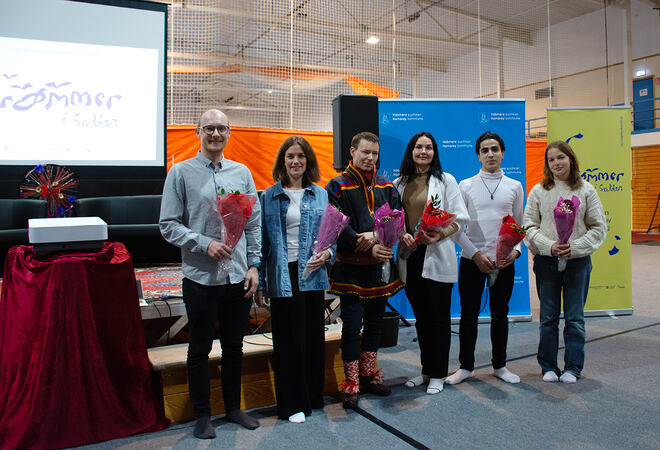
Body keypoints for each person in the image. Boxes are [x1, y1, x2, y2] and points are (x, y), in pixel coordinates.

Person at [159, 109, 262, 438]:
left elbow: (254, 223)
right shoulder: (180, 173)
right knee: (199, 348)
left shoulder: (243, 172)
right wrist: (204, 244)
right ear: (197, 131)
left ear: (229, 133)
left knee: (234, 347)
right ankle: (203, 414)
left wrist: (254, 265)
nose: (215, 133)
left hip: (237, 277)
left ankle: (233, 408)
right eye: (209, 128)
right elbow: (168, 225)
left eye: (221, 128)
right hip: (201, 277)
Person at [255, 136, 332, 424]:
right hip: (281, 275)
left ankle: (312, 397)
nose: (296, 161)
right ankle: (290, 404)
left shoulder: (320, 194)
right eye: (290, 156)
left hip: (312, 274)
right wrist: (261, 282)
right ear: (282, 161)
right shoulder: (269, 196)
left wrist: (328, 253)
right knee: (288, 342)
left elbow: (331, 236)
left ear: (308, 161)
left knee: (313, 339)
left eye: (301, 156)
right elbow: (262, 241)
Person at [325, 131, 404, 409]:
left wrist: (381, 237)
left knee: (374, 323)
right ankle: (351, 382)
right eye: (365, 152)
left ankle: (369, 375)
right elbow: (336, 226)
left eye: (375, 153)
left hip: (380, 267)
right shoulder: (336, 185)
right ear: (352, 152)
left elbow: (396, 217)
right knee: (351, 327)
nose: (370, 158)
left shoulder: (387, 186)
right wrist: (366, 242)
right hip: (351, 268)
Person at [523, 140, 606, 383]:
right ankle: (548, 366)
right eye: (551, 159)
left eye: (561, 157)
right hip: (546, 262)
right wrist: (550, 246)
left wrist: (575, 246)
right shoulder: (539, 191)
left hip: (577, 263)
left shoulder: (586, 190)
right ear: (547, 164)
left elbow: (598, 227)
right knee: (548, 318)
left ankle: (573, 367)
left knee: (575, 318)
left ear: (571, 159)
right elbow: (528, 226)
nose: (556, 163)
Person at [446, 131, 525, 386]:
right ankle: (466, 367)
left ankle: (499, 366)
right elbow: (457, 228)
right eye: (484, 150)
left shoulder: (515, 186)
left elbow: (519, 227)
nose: (490, 154)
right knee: (468, 315)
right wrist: (475, 254)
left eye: (494, 149)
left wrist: (516, 252)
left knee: (500, 314)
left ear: (502, 152)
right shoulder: (466, 185)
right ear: (478, 156)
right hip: (472, 260)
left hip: (504, 262)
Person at [395, 131, 469, 395]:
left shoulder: (446, 180)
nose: (423, 152)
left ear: (435, 152)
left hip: (437, 256)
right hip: (410, 256)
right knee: (422, 320)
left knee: (438, 319)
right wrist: (401, 235)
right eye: (418, 147)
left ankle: (438, 373)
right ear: (411, 151)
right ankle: (426, 371)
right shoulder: (399, 183)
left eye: (428, 147)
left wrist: (440, 233)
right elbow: (393, 219)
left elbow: (461, 219)